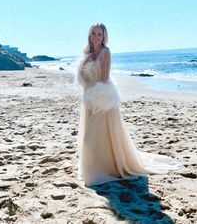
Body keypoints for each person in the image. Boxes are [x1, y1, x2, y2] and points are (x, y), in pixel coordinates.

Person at [77, 23, 179, 186]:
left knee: (97, 134)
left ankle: (103, 168)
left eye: (99, 34)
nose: (96, 37)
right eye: (94, 33)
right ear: (90, 35)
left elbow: (104, 79)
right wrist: (88, 88)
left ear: (104, 37)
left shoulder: (105, 52)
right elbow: (82, 75)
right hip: (90, 97)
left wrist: (96, 95)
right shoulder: (88, 53)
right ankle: (93, 166)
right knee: (91, 134)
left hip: (102, 98)